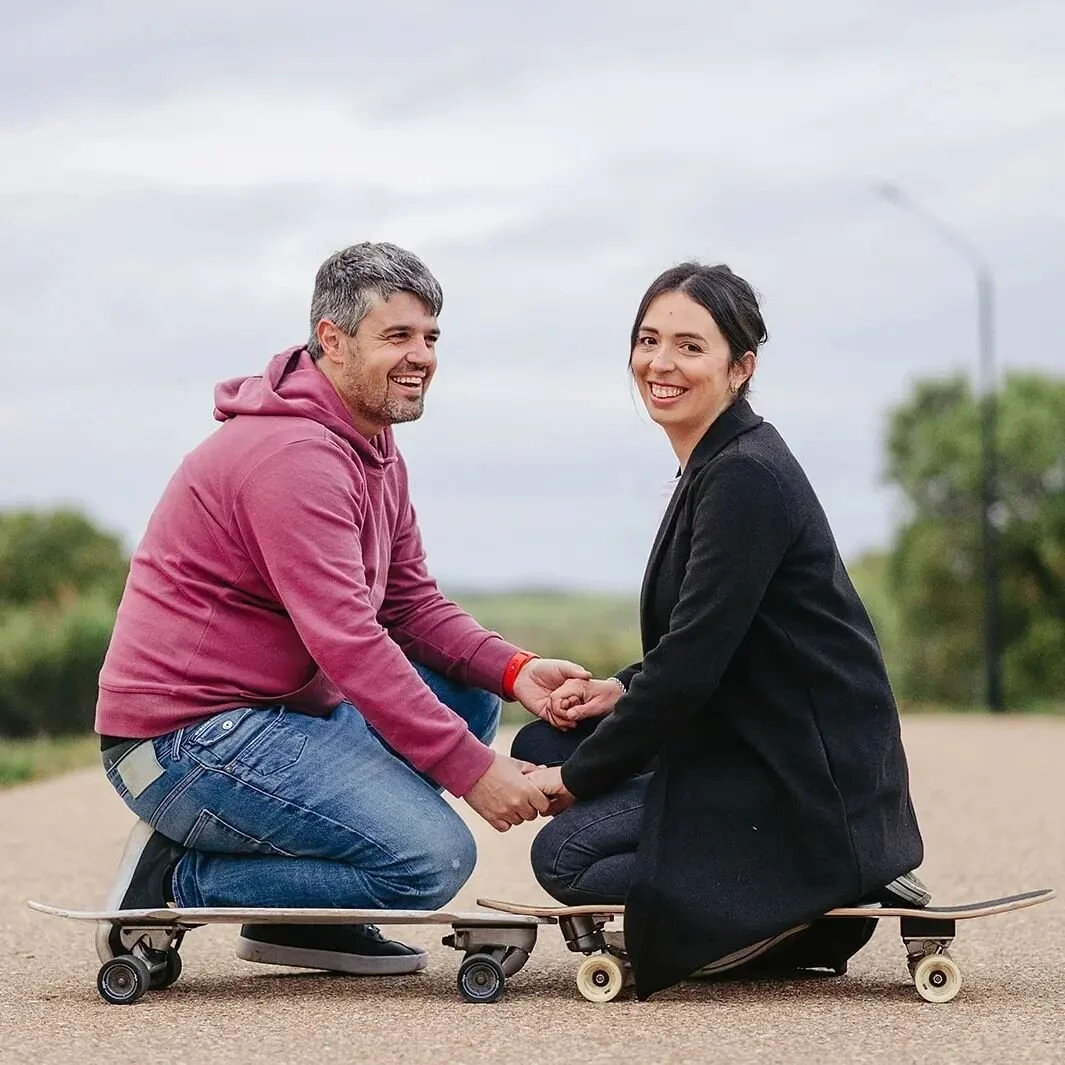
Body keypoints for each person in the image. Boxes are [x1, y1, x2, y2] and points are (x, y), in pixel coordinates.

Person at [94, 242, 590, 977]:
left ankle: (318, 922)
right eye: (398, 336)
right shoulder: (292, 457)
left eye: (430, 337)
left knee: (466, 693)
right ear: (333, 338)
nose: (421, 356)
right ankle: (174, 878)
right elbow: (350, 642)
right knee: (431, 860)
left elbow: (408, 604)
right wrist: (474, 770)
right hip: (181, 741)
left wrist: (514, 670)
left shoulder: (371, 444)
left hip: (272, 717)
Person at [514, 262, 929, 1001]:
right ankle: (772, 879)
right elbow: (712, 640)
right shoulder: (717, 462)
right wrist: (619, 690)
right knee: (541, 743)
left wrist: (573, 783)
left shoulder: (744, 476)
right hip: (747, 736)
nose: (660, 363)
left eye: (689, 346)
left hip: (800, 776)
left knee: (566, 856)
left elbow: (691, 667)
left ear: (741, 367)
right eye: (648, 340)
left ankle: (815, 891)